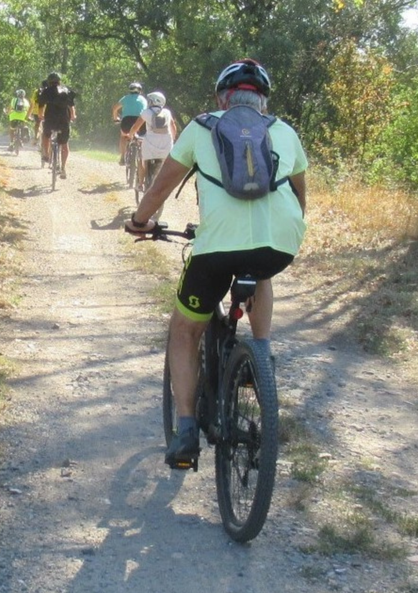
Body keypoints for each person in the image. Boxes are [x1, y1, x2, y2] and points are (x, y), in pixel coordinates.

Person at [125, 59, 308, 468]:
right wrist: (284, 232)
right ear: (262, 101)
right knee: (260, 270)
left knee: (185, 330)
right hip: (278, 245)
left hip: (216, 251)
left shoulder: (203, 127)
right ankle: (261, 358)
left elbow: (158, 188)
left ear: (221, 98)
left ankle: (186, 429)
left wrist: (140, 223)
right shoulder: (284, 131)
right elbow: (300, 197)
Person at [125, 90, 177, 190]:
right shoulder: (167, 112)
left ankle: (140, 184)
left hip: (150, 146)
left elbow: (136, 127)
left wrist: (131, 135)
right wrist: (173, 140)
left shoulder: (146, 113)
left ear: (152, 101)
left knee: (142, 160)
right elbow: (173, 127)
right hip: (166, 146)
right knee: (165, 165)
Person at [38, 72, 76, 178]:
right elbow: (71, 106)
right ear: (59, 81)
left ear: (49, 82)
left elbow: (41, 105)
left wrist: (41, 115)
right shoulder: (66, 90)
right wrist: (73, 116)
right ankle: (63, 168)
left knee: (46, 135)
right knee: (64, 144)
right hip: (64, 120)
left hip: (50, 119)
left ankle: (46, 154)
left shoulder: (46, 91)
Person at [112, 82, 148, 165]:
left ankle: (122, 157)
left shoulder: (125, 98)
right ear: (140, 91)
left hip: (126, 122)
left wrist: (115, 119)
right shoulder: (143, 99)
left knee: (123, 136)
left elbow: (115, 108)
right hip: (140, 122)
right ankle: (142, 159)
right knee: (142, 139)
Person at [26, 80, 47, 145]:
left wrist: (27, 115)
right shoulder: (53, 91)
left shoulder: (37, 92)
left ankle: (36, 137)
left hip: (37, 111)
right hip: (50, 111)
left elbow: (32, 105)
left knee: (38, 124)